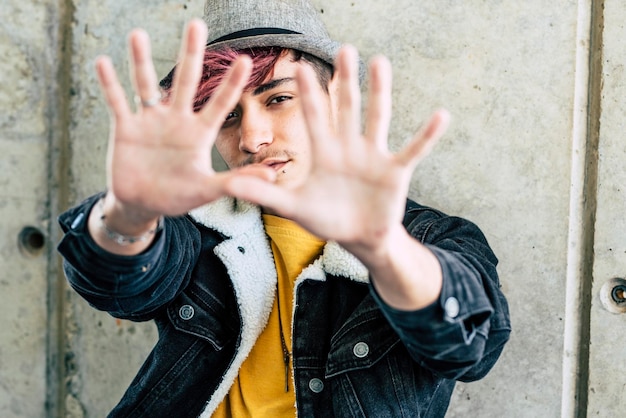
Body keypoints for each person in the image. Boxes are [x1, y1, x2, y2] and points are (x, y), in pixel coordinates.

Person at [57, 0, 511, 416]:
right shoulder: (199, 229)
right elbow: (121, 284)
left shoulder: (433, 239)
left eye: (278, 99)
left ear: (334, 95)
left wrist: (385, 249)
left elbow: (471, 347)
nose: (252, 139)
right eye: (227, 114)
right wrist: (129, 216)